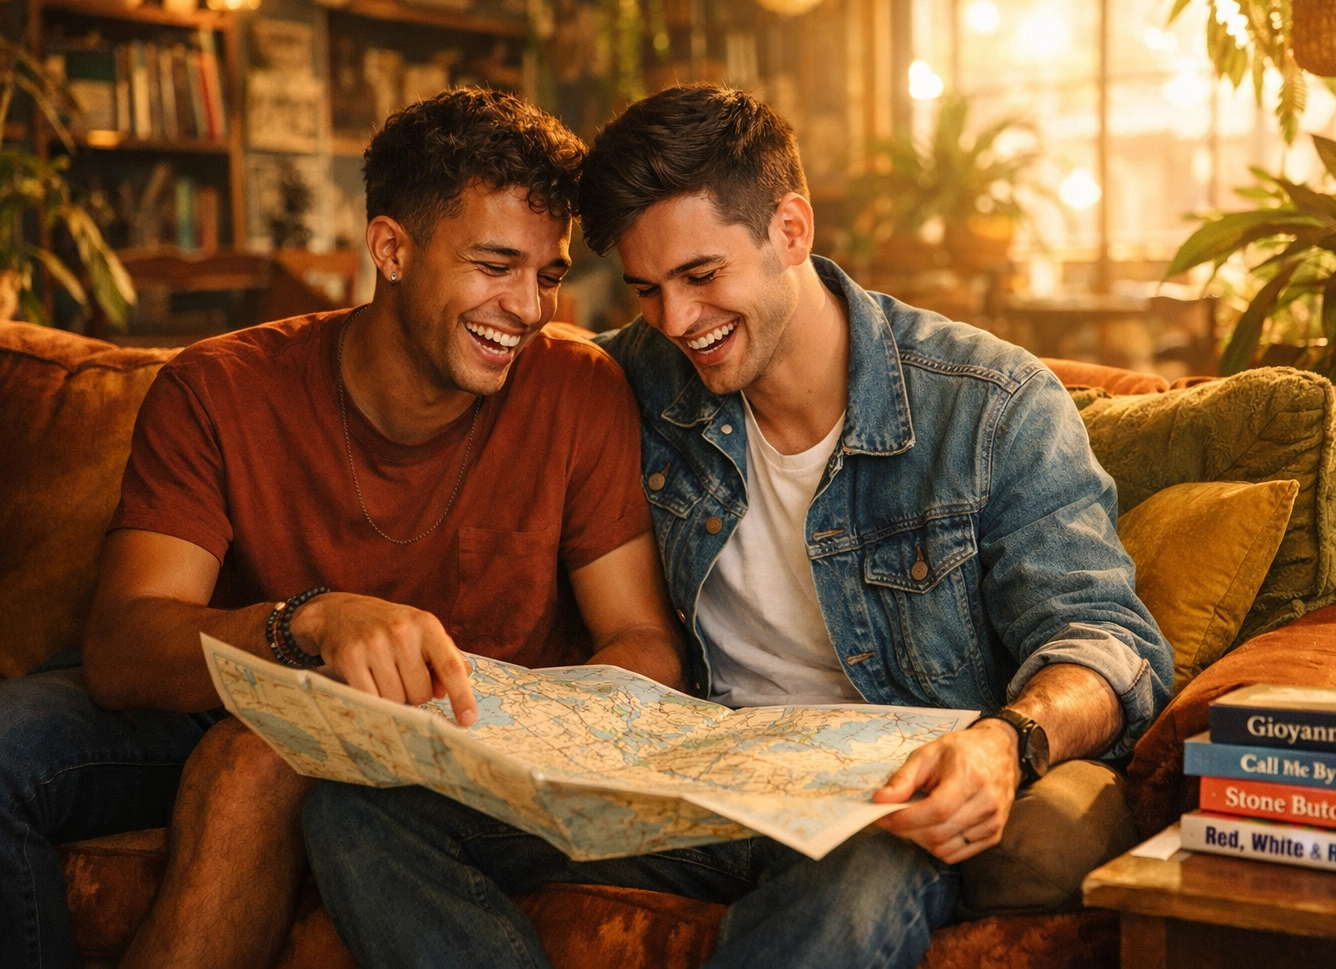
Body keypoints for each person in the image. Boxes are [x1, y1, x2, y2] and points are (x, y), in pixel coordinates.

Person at [302, 86, 1174, 969]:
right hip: (688, 780)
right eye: (646, 290)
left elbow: (1107, 641)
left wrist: (1003, 742)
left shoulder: (991, 408)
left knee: (858, 893)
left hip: (879, 796)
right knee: (357, 807)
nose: (678, 322)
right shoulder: (624, 380)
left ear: (791, 230)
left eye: (701, 276)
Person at [0, 87, 685, 969]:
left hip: (472, 737)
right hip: (247, 688)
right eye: (494, 265)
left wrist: (506, 716)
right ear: (391, 249)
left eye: (547, 274)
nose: (528, 307)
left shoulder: (577, 388)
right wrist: (307, 623)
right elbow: (125, 645)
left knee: (257, 765)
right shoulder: (220, 389)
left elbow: (643, 644)